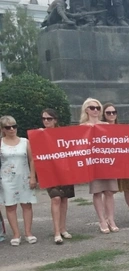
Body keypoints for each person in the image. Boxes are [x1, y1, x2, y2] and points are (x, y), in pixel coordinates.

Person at [102, 102, 129, 225]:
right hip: (109, 163)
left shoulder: (122, 128)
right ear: (104, 114)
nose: (111, 114)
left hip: (123, 162)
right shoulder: (100, 128)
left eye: (114, 112)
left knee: (128, 189)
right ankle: (107, 217)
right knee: (108, 191)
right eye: (108, 112)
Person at [81, 98, 119, 234]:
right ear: (86, 110)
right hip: (93, 164)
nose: (95, 110)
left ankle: (111, 219)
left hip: (107, 162)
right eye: (92, 108)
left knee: (109, 192)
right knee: (97, 192)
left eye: (98, 108)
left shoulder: (106, 125)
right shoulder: (82, 127)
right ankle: (102, 220)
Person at [0, 115, 38, 246]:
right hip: (6, 178)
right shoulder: (1, 143)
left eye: (14, 126)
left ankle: (28, 232)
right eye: (8, 127)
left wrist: (33, 176)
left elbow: (32, 159)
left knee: (27, 204)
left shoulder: (24, 141)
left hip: (24, 176)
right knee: (10, 206)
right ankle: (16, 234)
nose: (12, 129)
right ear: (3, 129)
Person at [41, 109, 75, 244]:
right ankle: (56, 232)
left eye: (49, 118)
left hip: (64, 170)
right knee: (55, 198)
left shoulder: (63, 134)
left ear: (55, 120)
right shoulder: (40, 134)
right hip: (49, 171)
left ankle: (63, 228)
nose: (46, 121)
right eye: (44, 118)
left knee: (64, 199)